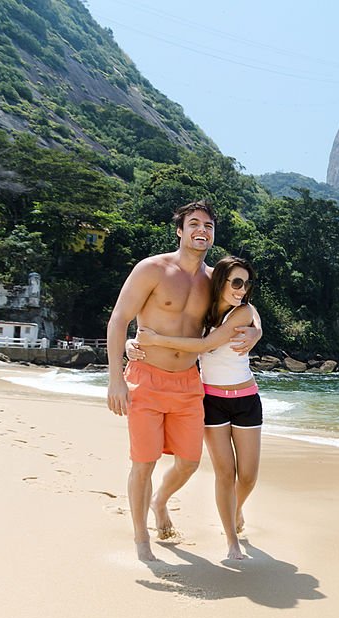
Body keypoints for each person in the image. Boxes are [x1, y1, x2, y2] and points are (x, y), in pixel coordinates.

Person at [106, 200, 260, 562]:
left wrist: (256, 332)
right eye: (194, 224)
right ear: (180, 230)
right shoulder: (153, 269)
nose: (201, 230)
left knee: (189, 461)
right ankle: (142, 540)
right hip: (146, 378)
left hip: (190, 383)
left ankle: (160, 501)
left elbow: (246, 306)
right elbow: (119, 319)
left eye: (208, 225)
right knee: (144, 462)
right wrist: (115, 377)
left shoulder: (214, 281)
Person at [134, 256, 261, 561]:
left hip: (246, 399)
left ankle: (236, 507)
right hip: (212, 400)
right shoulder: (203, 311)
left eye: (246, 283)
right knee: (225, 474)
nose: (242, 289)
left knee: (248, 476)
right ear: (221, 282)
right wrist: (136, 343)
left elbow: (207, 345)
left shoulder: (242, 312)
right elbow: (183, 326)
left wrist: (257, 331)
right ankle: (232, 541)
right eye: (236, 282)